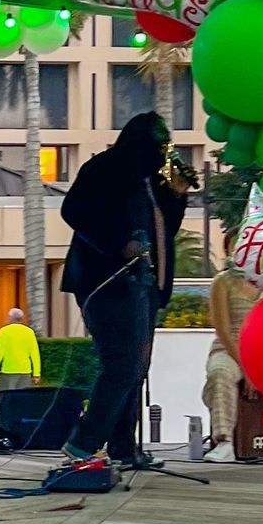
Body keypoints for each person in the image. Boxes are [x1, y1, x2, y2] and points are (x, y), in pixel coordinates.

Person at [54, 113, 190, 475]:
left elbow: (166, 231)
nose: (163, 153)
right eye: (158, 145)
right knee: (123, 363)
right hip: (107, 282)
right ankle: (82, 442)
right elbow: (74, 211)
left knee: (136, 366)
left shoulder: (150, 181)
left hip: (143, 285)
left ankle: (123, 447)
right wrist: (117, 244)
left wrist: (177, 197)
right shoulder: (104, 169)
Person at [204, 265, 259, 464]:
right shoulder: (222, 281)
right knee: (220, 373)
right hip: (229, 348)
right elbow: (223, 331)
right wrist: (247, 369)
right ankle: (224, 442)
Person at [0, 307, 41, 392]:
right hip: (25, 371)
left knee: (6, 396)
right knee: (23, 397)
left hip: (8, 370)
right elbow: (35, 354)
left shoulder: (4, 331)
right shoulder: (29, 332)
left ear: (10, 317)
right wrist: (36, 374)